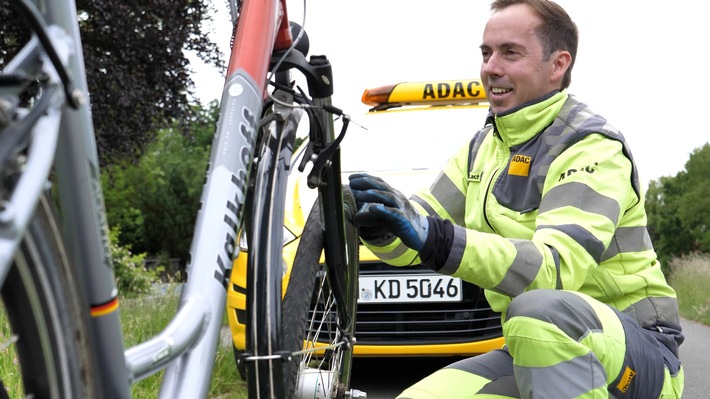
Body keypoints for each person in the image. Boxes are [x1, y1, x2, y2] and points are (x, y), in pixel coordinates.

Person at [348, 0, 684, 397]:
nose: (491, 67)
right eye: (486, 53)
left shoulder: (591, 146)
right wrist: (382, 227)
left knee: (539, 312)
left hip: (637, 354)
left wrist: (434, 236)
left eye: (510, 52)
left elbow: (554, 270)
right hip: (531, 342)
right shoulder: (483, 149)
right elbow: (414, 239)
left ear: (558, 64)